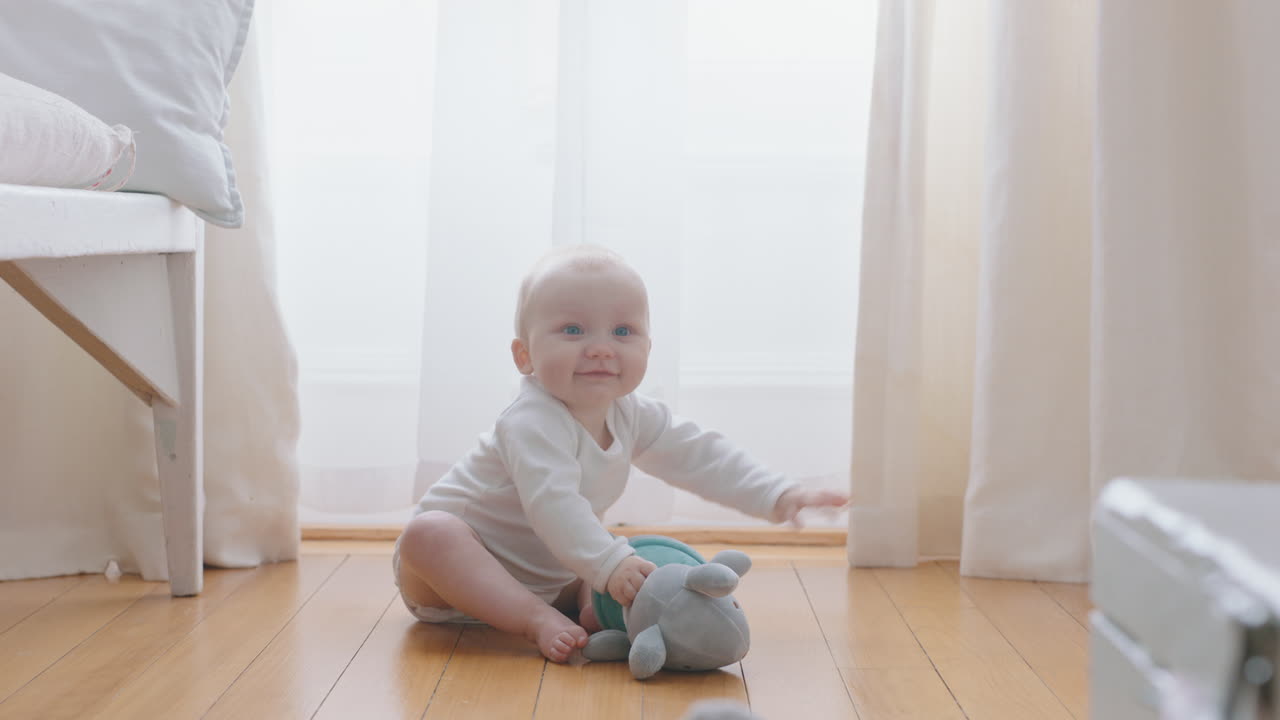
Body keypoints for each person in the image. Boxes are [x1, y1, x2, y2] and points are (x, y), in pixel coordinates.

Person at [393, 245, 848, 662]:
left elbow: (699, 455)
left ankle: (594, 609)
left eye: (623, 331)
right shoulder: (530, 421)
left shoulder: (632, 415)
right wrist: (610, 564)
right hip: (451, 581)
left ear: (647, 348)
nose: (600, 347)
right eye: (572, 329)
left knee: (627, 553)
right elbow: (555, 506)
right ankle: (535, 619)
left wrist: (777, 493)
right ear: (524, 356)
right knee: (430, 532)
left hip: (554, 575)